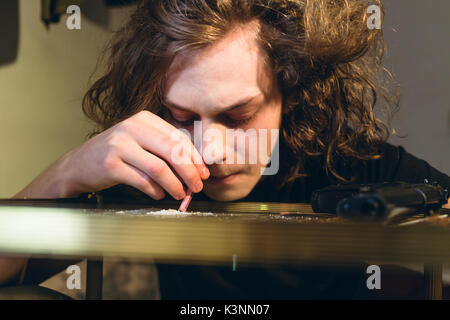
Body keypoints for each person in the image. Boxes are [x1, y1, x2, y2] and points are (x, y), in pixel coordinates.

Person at [1, 0, 449, 298]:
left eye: (237, 117)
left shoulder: (347, 164)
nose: (209, 150)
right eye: (181, 115)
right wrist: (66, 173)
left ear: (290, 90)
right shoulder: (154, 167)